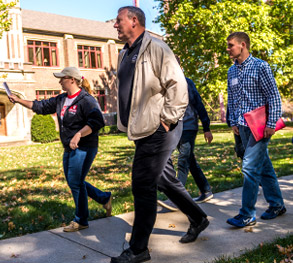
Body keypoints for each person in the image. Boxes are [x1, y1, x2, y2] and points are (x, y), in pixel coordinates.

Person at [111, 6, 209, 263]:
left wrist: (166, 119)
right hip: (142, 128)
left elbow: (177, 85)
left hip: (158, 129)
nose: (115, 25)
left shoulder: (156, 48)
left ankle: (139, 249)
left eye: (118, 21)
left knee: (142, 184)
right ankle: (198, 218)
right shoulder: (125, 53)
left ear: (134, 21)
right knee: (164, 179)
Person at [8, 67, 112, 232]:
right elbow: (40, 106)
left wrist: (79, 134)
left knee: (75, 182)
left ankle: (81, 220)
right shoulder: (62, 99)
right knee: (75, 181)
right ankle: (104, 197)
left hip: (85, 147)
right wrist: (18, 100)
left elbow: (97, 121)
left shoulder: (86, 99)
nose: (59, 81)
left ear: (71, 79)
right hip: (69, 147)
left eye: (62, 78)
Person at [226, 32, 286, 228]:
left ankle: (246, 214)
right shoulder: (231, 72)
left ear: (242, 45)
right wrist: (232, 121)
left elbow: (273, 96)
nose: (228, 49)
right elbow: (232, 99)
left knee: (249, 167)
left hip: (260, 126)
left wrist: (271, 123)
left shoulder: (261, 66)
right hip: (242, 126)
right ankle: (277, 205)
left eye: (230, 45)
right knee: (265, 167)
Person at [157, 57, 213, 211]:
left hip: (188, 127)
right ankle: (206, 190)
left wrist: (206, 128)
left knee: (183, 160)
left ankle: (177, 199)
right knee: (190, 160)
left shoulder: (187, 83)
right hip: (175, 128)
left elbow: (199, 105)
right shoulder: (165, 84)